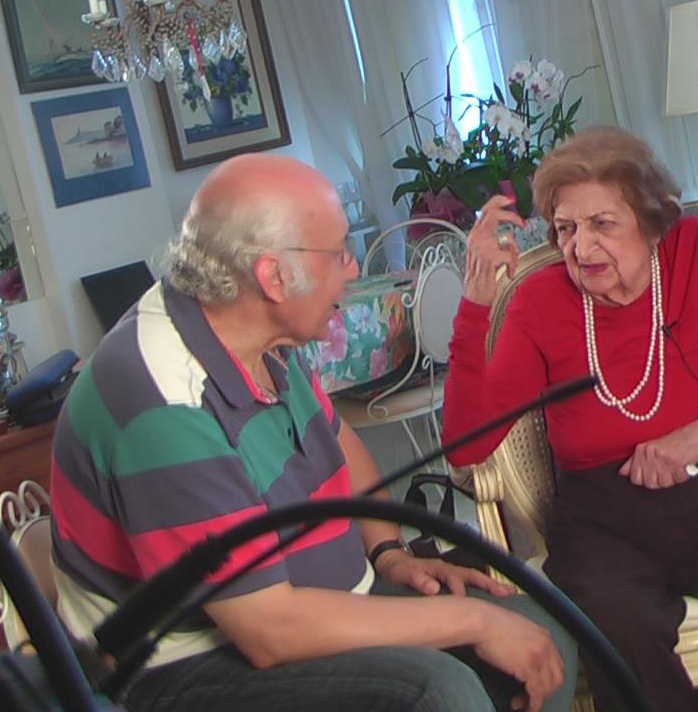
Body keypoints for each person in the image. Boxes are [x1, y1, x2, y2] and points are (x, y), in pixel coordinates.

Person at [49, 154, 577, 712]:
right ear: (274, 277)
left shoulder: (258, 334)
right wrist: (470, 620)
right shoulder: (161, 398)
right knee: (439, 692)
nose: (353, 270)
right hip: (180, 666)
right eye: (341, 253)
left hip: (314, 599)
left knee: (541, 629)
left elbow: (338, 446)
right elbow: (269, 630)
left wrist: (389, 553)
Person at [442, 126, 698, 712]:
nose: (581, 248)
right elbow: (466, 448)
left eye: (602, 224)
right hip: (604, 525)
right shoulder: (540, 302)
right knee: (622, 644)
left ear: (652, 222)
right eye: (565, 229)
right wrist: (476, 305)